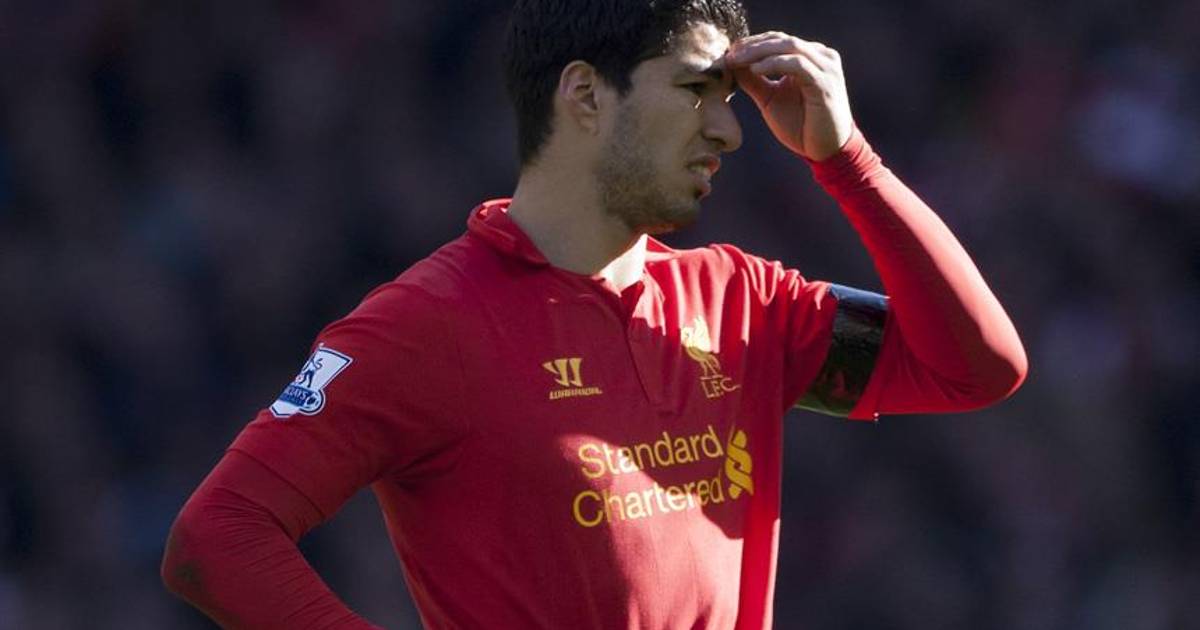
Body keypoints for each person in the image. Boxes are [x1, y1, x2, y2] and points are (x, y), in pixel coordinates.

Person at [161, 0, 1028, 628]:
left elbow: (977, 370)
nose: (728, 132)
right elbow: (218, 537)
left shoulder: (741, 302)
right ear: (584, 95)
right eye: (695, 90)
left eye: (728, 101)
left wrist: (851, 162)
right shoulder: (427, 325)